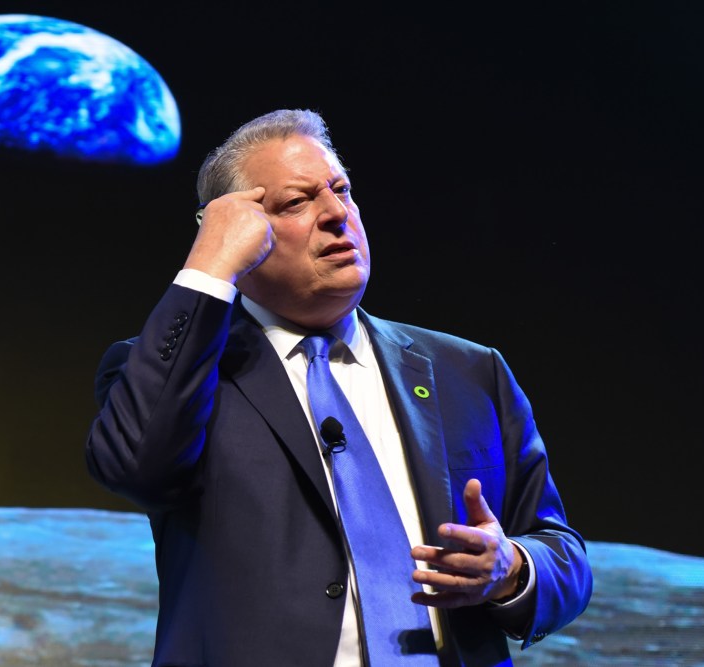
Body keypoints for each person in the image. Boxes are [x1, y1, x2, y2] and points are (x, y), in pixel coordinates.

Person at [85, 108, 592, 666]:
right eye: (296, 203)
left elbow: (562, 552)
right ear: (236, 232)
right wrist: (209, 268)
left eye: (341, 190)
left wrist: (512, 569)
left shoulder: (468, 371)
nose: (335, 214)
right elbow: (135, 466)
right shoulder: (183, 374)